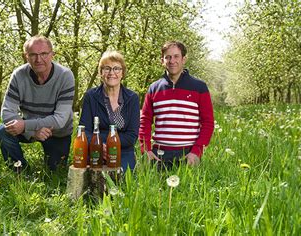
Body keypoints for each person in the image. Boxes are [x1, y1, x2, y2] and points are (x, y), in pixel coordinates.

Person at [0, 35, 75, 172]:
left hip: (57, 132)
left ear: (52, 55)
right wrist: (32, 132)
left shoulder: (65, 76)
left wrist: (25, 125)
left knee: (55, 173)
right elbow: (7, 112)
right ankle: (20, 172)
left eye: (43, 54)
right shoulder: (18, 75)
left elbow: (60, 120)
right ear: (26, 56)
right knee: (3, 131)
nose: (38, 60)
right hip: (30, 128)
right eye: (33, 55)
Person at [139, 41, 214, 169]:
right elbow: (145, 120)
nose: (172, 61)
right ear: (162, 60)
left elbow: (208, 123)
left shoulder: (199, 87)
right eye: (167, 57)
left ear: (183, 59)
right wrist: (146, 149)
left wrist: (196, 152)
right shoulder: (154, 88)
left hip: (188, 155)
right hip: (159, 155)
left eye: (176, 56)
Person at [79, 51, 140, 171]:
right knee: (91, 179)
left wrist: (111, 143)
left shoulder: (132, 98)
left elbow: (132, 136)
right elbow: (84, 130)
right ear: (101, 73)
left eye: (116, 68)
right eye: (107, 68)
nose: (112, 73)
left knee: (121, 180)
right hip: (95, 150)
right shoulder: (91, 96)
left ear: (122, 73)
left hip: (123, 151)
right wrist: (99, 145)